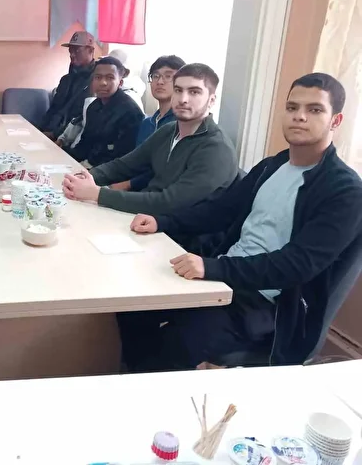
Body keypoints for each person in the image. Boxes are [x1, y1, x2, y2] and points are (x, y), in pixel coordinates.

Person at [120, 72, 362, 372]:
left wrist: (211, 267)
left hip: (268, 304)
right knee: (133, 305)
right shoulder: (273, 166)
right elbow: (220, 210)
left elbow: (297, 265)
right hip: (228, 277)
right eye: (292, 107)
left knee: (177, 341)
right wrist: (162, 222)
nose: (299, 116)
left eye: (314, 110)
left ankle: (152, 383)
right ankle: (139, 378)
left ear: (335, 121)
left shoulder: (345, 191)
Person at [62, 63, 237, 215]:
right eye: (178, 90)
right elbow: (124, 166)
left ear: (211, 100)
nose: (183, 99)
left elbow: (169, 202)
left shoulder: (216, 149)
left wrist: (97, 194)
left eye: (194, 92)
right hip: (146, 217)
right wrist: (82, 178)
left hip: (177, 234)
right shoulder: (169, 130)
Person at [113, 55, 186, 192]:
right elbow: (135, 162)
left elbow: (166, 171)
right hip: (135, 189)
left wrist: (128, 184)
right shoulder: (147, 123)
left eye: (168, 76)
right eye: (155, 76)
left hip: (161, 194)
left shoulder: (182, 124)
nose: (160, 82)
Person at [59, 56, 143, 168]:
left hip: (108, 170)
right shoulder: (93, 106)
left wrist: (89, 170)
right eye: (98, 77)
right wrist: (62, 154)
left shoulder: (131, 112)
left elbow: (123, 158)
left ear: (120, 83)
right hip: (88, 165)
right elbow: (84, 144)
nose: (103, 83)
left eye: (110, 78)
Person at [38, 31, 96, 140]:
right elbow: (53, 109)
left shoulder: (95, 82)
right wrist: (39, 130)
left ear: (90, 50)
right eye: (70, 50)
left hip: (69, 138)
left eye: (77, 50)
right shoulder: (65, 80)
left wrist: (55, 134)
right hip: (49, 134)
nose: (72, 55)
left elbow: (81, 119)